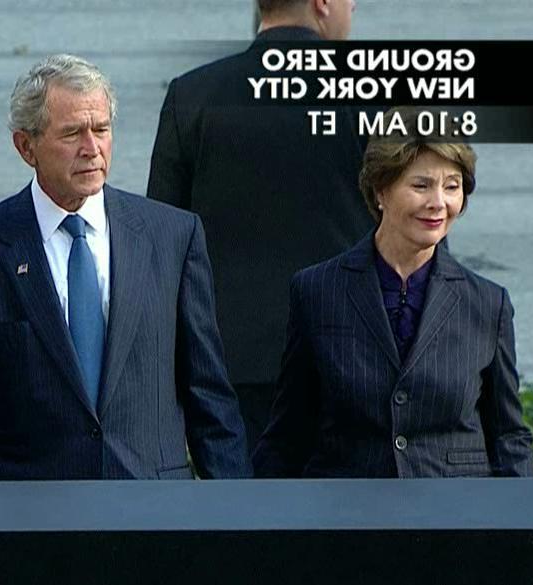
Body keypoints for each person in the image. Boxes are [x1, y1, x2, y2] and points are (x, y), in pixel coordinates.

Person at [0, 54, 249, 481]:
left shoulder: (172, 237)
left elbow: (209, 396)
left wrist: (237, 520)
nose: (91, 148)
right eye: (72, 133)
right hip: (29, 519)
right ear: (26, 147)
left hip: (153, 512)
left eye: (101, 130)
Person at [253, 111, 533, 478]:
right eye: (421, 186)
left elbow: (509, 436)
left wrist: (517, 529)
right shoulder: (317, 291)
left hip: (457, 517)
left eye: (452, 186)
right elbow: (289, 433)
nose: (439, 202)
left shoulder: (488, 303)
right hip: (347, 514)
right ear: (380, 190)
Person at [146, 0, 369, 443]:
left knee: (245, 510)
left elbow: (161, 245)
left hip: (227, 368)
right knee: (347, 512)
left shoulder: (192, 96)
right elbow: (418, 236)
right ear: (323, 3)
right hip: (353, 360)